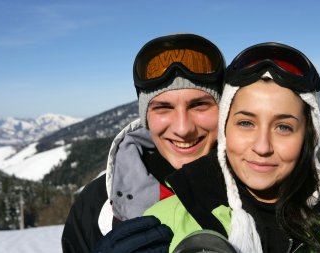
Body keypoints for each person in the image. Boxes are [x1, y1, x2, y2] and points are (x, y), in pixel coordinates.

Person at [145, 42, 320, 252]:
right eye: (246, 123)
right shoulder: (162, 225)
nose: (262, 147)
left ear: (309, 136)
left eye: (283, 127)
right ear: (225, 128)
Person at [61, 33, 226, 253]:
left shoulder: (261, 187)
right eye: (163, 108)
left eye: (199, 105)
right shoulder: (97, 203)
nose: (183, 128)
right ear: (146, 116)